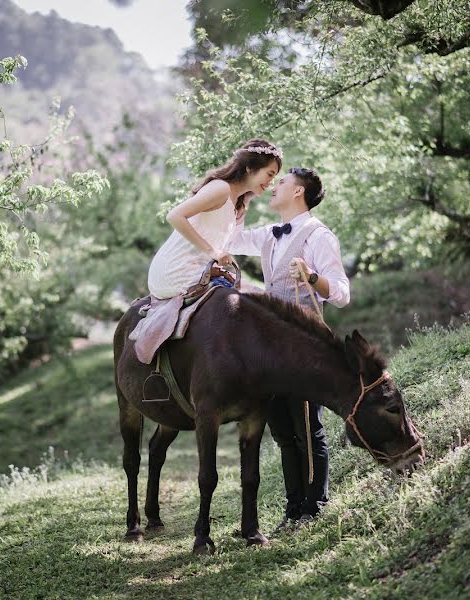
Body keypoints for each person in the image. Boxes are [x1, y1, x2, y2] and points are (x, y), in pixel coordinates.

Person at [228, 166, 350, 533]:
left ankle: (316, 506)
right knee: (282, 432)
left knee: (308, 430)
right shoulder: (268, 235)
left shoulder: (319, 236)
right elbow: (230, 241)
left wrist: (312, 277)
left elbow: (343, 294)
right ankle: (294, 508)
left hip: (304, 348)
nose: (274, 186)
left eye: (281, 182)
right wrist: (238, 200)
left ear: (299, 192)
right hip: (271, 349)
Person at [146, 139, 282, 299]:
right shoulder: (221, 188)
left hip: (202, 272)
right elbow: (175, 216)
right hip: (175, 270)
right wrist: (212, 251)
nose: (271, 182)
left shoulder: (237, 205)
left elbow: (231, 243)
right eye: (270, 174)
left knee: (259, 297)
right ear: (250, 169)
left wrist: (246, 200)